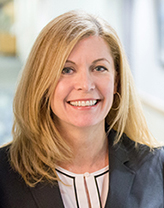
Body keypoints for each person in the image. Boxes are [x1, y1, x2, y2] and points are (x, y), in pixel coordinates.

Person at [0, 10, 163, 208]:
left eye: (99, 68)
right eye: (66, 70)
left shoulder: (156, 167)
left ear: (117, 82)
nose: (85, 85)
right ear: (42, 83)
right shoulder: (5, 174)